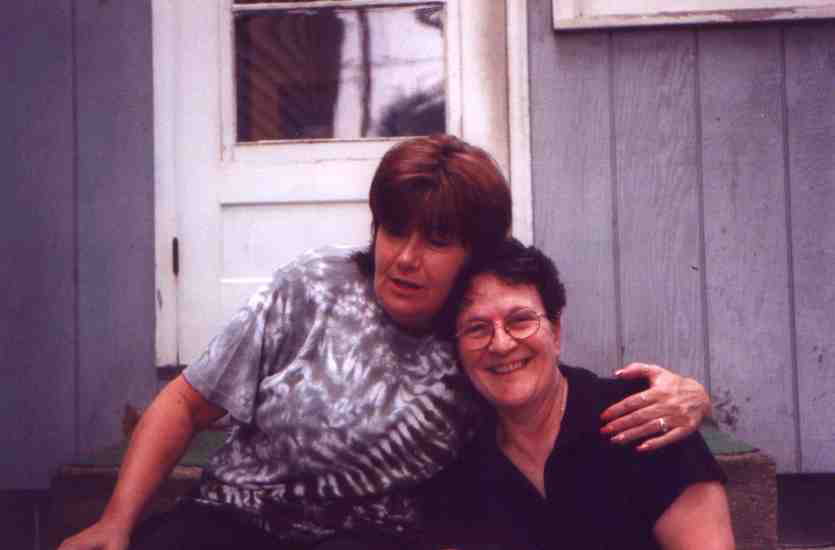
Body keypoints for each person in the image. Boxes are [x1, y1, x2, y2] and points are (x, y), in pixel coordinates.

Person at [59, 135, 712, 550]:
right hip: (233, 520)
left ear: (474, 253)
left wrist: (689, 396)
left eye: (437, 240)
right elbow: (184, 402)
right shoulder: (310, 288)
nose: (404, 258)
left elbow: (542, 375)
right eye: (394, 231)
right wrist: (117, 522)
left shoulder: (474, 338)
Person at [422, 238, 735, 550]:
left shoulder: (646, 417)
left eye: (520, 321)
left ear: (556, 331)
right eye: (477, 328)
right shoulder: (456, 463)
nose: (501, 344)